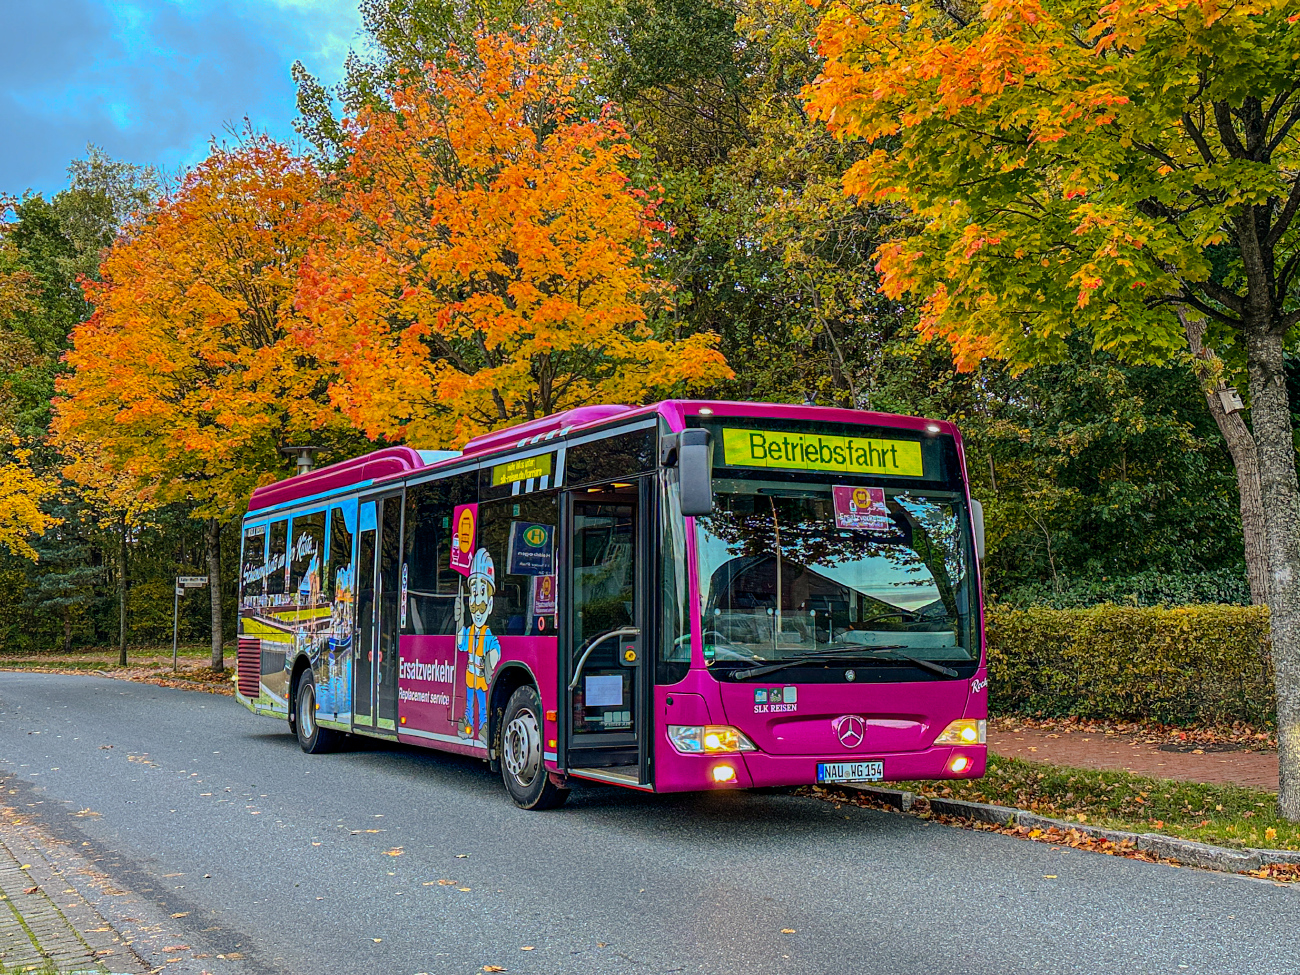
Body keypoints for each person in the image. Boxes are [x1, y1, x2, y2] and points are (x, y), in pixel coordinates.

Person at [456, 548, 501, 743]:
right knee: (468, 703)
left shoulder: (488, 634)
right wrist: (458, 621)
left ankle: (483, 726)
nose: (477, 603)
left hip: (481, 677)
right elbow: (460, 645)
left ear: (490, 605)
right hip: (470, 676)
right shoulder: (469, 631)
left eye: (482, 593)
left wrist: (491, 661)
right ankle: (468, 724)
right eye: (474, 593)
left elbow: (495, 649)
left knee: (482, 704)